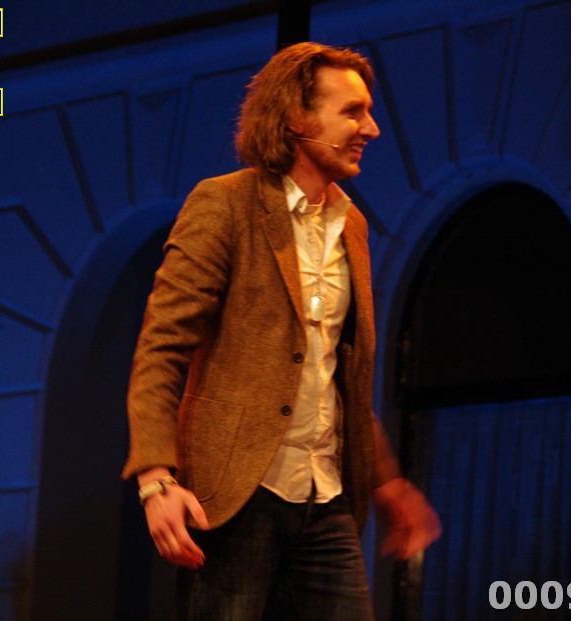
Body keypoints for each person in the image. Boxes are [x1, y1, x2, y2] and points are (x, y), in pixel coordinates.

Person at [122, 41, 441, 621]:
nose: (371, 129)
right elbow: (161, 348)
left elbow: (338, 376)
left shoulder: (352, 226)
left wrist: (388, 484)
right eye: (352, 112)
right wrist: (155, 479)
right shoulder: (226, 204)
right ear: (297, 118)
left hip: (326, 495)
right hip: (236, 495)